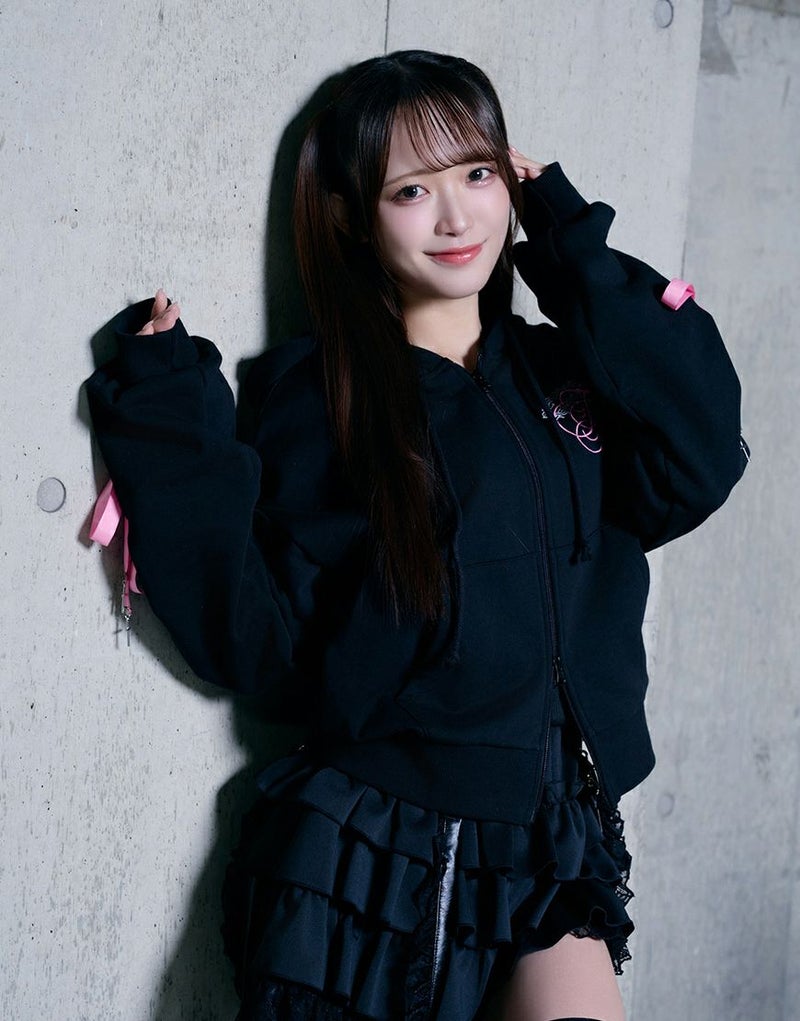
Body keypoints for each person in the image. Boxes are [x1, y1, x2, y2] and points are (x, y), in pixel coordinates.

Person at [85, 49, 748, 1021]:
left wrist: (570, 242)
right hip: (385, 848)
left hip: (548, 833)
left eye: (476, 174)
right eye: (410, 190)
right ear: (354, 216)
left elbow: (701, 450)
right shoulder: (324, 402)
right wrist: (167, 419)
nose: (455, 217)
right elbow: (257, 638)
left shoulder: (561, 372)